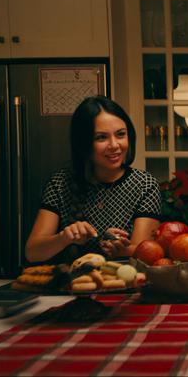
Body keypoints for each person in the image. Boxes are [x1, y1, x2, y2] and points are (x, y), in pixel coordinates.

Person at [25, 96, 161, 264]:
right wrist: (64, 237)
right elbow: (33, 252)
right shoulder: (60, 183)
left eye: (120, 135)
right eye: (101, 137)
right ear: (83, 143)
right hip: (69, 286)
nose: (114, 145)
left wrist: (118, 249)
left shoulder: (144, 185)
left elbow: (146, 254)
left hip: (121, 284)